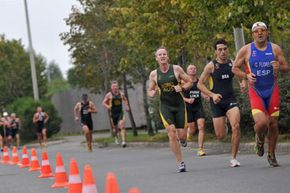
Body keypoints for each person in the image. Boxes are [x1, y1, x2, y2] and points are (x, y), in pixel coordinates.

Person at [232, 22, 290, 167]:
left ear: (267, 32)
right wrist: (246, 76)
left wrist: (279, 66)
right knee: (262, 123)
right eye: (256, 31)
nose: (259, 33)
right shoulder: (246, 50)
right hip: (256, 91)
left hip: (272, 89)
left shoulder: (275, 48)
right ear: (253, 34)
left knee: (273, 124)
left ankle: (271, 154)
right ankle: (259, 138)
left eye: (262, 30)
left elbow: (286, 67)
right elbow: (235, 68)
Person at [197, 39, 245, 167]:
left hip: (230, 100)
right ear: (215, 52)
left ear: (227, 50)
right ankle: (225, 126)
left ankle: (234, 158)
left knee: (236, 126)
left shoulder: (232, 64)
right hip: (217, 103)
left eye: (225, 49)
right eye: (220, 49)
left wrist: (243, 82)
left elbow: (241, 75)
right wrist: (212, 95)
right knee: (220, 136)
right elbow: (200, 84)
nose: (223, 52)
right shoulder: (211, 66)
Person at [147, 47, 192, 172]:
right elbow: (150, 89)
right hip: (165, 106)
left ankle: (183, 140)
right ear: (156, 58)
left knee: (182, 136)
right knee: (171, 132)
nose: (162, 56)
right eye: (159, 54)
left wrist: (182, 87)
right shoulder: (154, 74)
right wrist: (151, 93)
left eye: (164, 54)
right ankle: (180, 162)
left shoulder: (176, 69)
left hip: (179, 105)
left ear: (167, 56)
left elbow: (189, 81)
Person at [183, 64, 208, 156]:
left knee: (201, 126)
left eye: (194, 68)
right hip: (188, 108)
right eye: (191, 68)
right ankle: (189, 134)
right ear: (187, 71)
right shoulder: (184, 82)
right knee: (192, 130)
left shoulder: (199, 82)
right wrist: (187, 100)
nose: (193, 70)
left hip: (198, 107)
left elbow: (201, 91)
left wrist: (205, 96)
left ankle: (200, 149)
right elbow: (179, 97)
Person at [102, 81, 130, 148]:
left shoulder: (121, 94)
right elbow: (103, 102)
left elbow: (125, 100)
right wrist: (108, 106)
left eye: (116, 86)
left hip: (120, 112)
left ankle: (123, 142)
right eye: (113, 86)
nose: (115, 88)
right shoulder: (109, 95)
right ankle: (116, 137)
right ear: (111, 88)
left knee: (122, 126)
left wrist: (127, 106)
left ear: (118, 87)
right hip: (113, 113)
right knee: (115, 128)